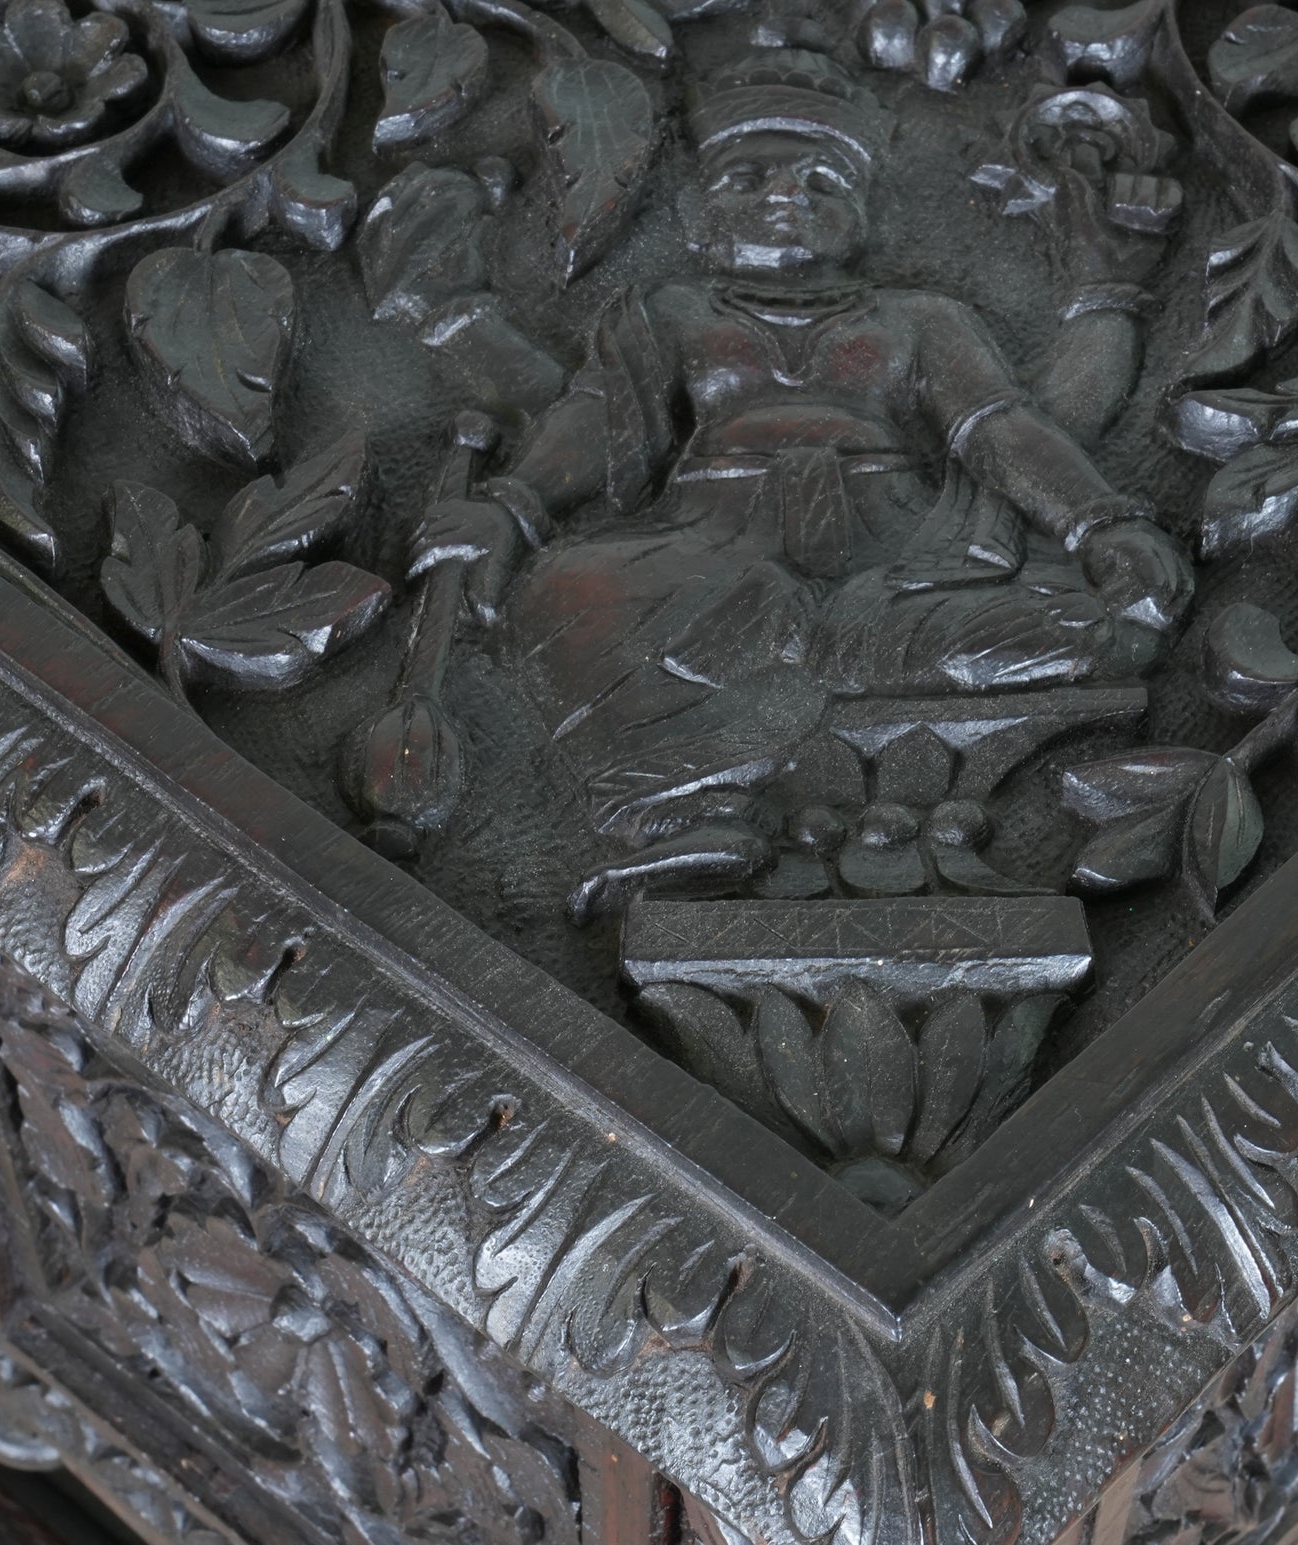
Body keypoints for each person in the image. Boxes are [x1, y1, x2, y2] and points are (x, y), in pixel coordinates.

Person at [407, 43, 1193, 916]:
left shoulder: (923, 317)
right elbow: (600, 420)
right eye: (747, 178)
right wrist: (515, 507)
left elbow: (1001, 428)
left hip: (897, 551)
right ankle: (684, 814)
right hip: (701, 540)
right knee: (566, 587)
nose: (786, 195)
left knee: (1089, 620)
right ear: (695, 212)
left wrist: (1103, 524)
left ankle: (802, 642)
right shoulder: (672, 312)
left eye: (822, 181)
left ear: (866, 212)